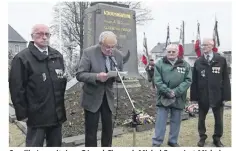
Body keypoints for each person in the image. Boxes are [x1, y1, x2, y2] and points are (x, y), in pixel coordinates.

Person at [9, 24, 67, 147]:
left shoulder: (57, 56)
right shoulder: (22, 58)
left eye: (47, 34)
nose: (44, 37)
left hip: (56, 115)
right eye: (40, 34)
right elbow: (16, 88)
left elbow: (62, 82)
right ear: (32, 36)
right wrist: (22, 113)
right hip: (36, 117)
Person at [76, 31, 123, 147]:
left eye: (113, 47)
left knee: (108, 129)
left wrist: (119, 76)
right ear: (101, 43)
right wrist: (96, 77)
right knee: (91, 131)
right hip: (92, 97)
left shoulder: (118, 55)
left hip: (108, 97)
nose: (110, 50)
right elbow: (80, 75)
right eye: (107, 47)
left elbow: (120, 74)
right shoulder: (89, 53)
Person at [190, 38, 231, 147]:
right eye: (203, 45)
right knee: (201, 119)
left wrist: (226, 96)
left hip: (217, 95)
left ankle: (217, 138)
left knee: (219, 119)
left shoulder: (221, 60)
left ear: (212, 46)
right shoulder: (198, 61)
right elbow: (194, 81)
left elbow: (226, 79)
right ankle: (202, 137)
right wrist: (194, 97)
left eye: (206, 45)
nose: (204, 47)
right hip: (203, 95)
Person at [152, 44, 192, 147]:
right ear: (166, 52)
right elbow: (157, 80)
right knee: (161, 121)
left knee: (176, 121)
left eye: (173, 52)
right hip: (163, 97)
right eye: (169, 51)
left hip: (178, 97)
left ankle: (173, 141)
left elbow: (188, 80)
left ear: (177, 53)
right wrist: (168, 91)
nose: (171, 53)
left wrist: (176, 92)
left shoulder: (185, 65)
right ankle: (157, 142)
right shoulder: (159, 64)